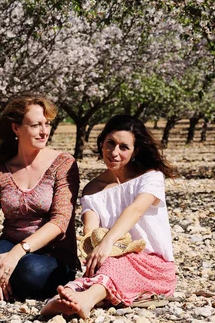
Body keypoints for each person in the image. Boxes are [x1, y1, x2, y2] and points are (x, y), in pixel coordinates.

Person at [41, 115, 177, 318]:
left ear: (135, 150)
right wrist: (95, 249)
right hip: (109, 259)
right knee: (99, 272)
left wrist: (108, 241)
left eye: (124, 147)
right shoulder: (92, 190)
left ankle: (85, 301)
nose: (114, 153)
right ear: (101, 143)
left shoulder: (151, 177)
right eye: (110, 144)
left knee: (114, 267)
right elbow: (91, 231)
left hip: (153, 265)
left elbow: (136, 209)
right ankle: (64, 299)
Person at [0, 95, 80, 301]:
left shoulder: (63, 163)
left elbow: (60, 221)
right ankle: (4, 284)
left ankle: (6, 286)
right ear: (16, 128)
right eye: (36, 125)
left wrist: (17, 253)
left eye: (47, 124)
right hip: (9, 243)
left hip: (52, 253)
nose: (44, 131)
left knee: (29, 271)